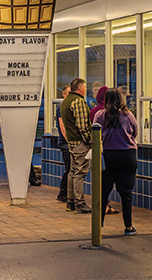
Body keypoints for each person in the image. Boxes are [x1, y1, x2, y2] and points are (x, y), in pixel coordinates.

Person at [93, 88, 139, 235]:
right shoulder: (128, 115)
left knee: (104, 192)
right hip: (128, 156)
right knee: (126, 193)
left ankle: (98, 227)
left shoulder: (100, 115)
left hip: (109, 156)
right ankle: (128, 226)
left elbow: (95, 132)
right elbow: (135, 131)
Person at [60, 77, 92, 214]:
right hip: (80, 142)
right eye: (84, 88)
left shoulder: (65, 101)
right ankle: (79, 203)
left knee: (72, 172)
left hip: (71, 142)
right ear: (80, 88)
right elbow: (82, 125)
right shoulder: (78, 101)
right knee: (79, 172)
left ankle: (70, 202)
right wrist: (90, 140)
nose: (86, 90)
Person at [55, 85, 71, 203]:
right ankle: (63, 193)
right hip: (65, 143)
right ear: (64, 95)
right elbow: (62, 126)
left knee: (70, 168)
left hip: (68, 142)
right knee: (69, 168)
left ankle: (65, 193)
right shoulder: (62, 107)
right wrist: (69, 141)